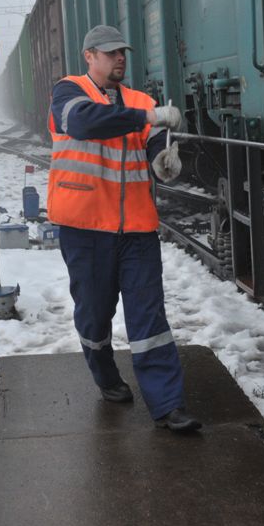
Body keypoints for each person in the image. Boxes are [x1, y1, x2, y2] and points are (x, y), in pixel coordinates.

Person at [47, 24, 200, 432]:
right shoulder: (69, 92)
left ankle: (168, 405)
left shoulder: (140, 100)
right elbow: (83, 123)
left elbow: (155, 143)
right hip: (84, 229)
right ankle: (105, 374)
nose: (119, 58)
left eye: (123, 53)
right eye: (110, 52)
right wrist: (149, 117)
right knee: (94, 317)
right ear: (89, 56)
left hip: (136, 230)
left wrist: (163, 160)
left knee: (149, 319)